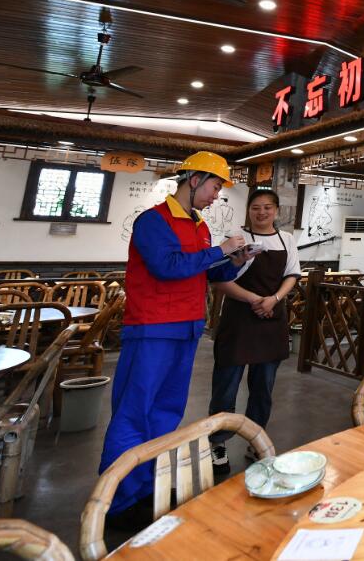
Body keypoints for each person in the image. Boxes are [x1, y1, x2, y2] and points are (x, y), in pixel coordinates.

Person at [98, 151, 249, 521]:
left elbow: (204, 273)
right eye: (215, 186)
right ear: (194, 180)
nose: (216, 195)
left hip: (186, 328)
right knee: (135, 412)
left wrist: (233, 262)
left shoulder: (199, 225)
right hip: (152, 329)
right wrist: (220, 250)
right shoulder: (153, 220)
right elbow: (167, 267)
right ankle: (118, 501)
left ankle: (147, 487)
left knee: (166, 413)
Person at [207, 187, 302, 474]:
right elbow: (219, 280)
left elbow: (292, 275)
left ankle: (256, 440)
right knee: (226, 385)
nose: (261, 212)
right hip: (238, 319)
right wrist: (254, 300)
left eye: (267, 207)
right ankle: (218, 444)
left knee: (263, 388)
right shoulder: (235, 238)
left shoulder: (287, 239)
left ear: (277, 210)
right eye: (255, 207)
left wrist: (274, 299)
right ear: (248, 210)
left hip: (271, 319)